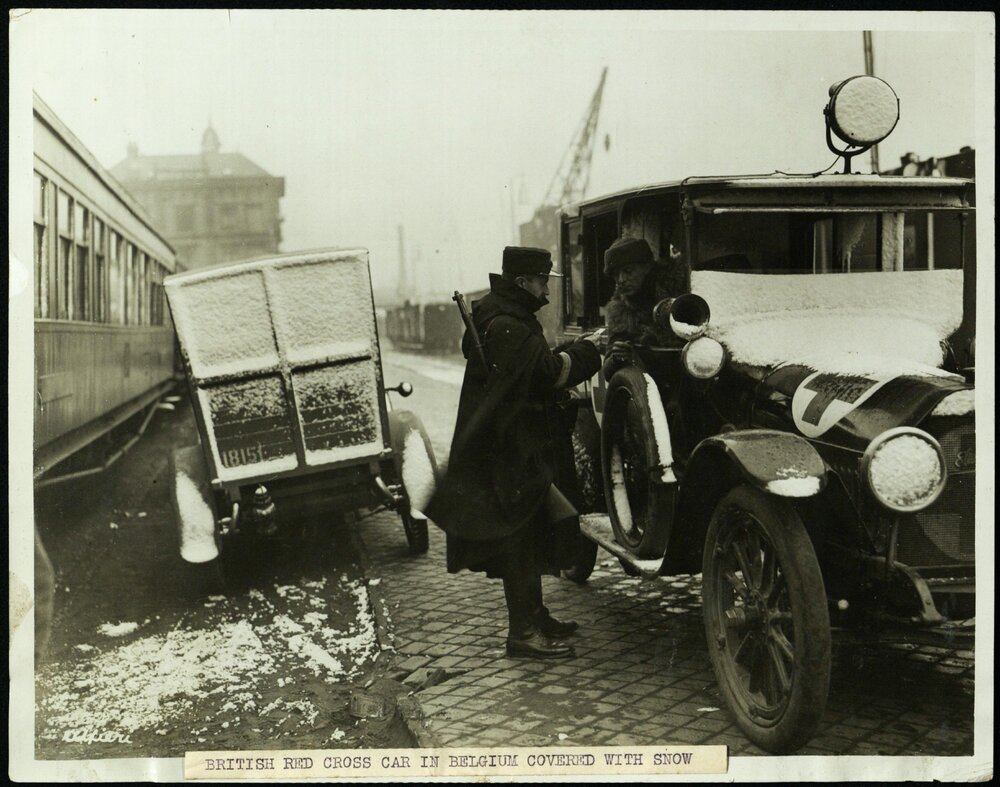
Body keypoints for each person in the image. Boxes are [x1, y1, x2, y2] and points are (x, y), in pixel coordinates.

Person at [426, 246, 602, 659]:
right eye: (542, 280)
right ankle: (521, 632)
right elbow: (544, 375)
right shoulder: (511, 326)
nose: (546, 287)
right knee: (520, 538)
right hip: (514, 451)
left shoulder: (500, 316)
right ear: (523, 282)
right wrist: (588, 353)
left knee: (532, 529)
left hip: (511, 445)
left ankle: (535, 614)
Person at [602, 236, 687, 381]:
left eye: (628, 271)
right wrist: (617, 358)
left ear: (647, 267)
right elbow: (608, 373)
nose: (621, 280)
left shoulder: (680, 290)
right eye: (616, 274)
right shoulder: (620, 311)